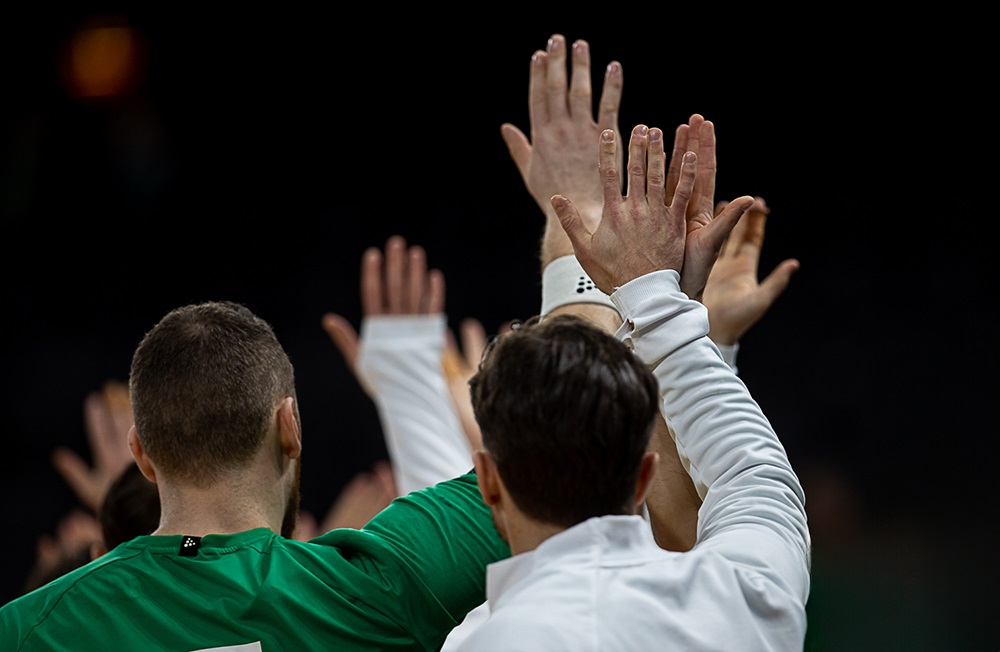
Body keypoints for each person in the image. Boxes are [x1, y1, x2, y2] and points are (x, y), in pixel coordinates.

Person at [453, 115, 811, 650]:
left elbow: (749, 479)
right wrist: (659, 299)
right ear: (645, 475)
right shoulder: (744, 601)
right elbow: (752, 477)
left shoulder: (480, 641)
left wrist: (662, 305)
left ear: (487, 480)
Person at [1, 300, 510, 650]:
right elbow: (537, 454)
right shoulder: (365, 594)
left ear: (141, 454)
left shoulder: (25, 630)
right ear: (290, 427)